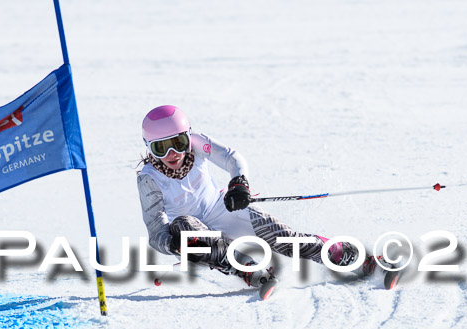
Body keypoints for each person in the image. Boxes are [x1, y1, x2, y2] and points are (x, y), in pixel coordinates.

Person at [136, 105, 372, 289]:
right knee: (184, 225)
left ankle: (346, 255)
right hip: (195, 234)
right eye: (161, 148)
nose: (172, 154)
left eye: (178, 143)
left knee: (284, 238)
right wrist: (171, 244)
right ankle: (247, 268)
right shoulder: (149, 178)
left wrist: (239, 183)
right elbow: (156, 230)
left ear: (188, 137)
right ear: (149, 148)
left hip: (223, 210)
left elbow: (231, 158)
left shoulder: (198, 145)